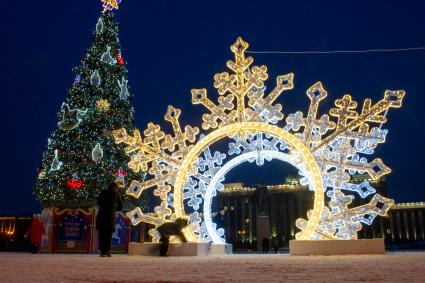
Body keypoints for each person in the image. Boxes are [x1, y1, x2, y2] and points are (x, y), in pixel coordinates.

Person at [96, 182, 123, 257]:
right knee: (108, 235)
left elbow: (98, 202)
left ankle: (102, 251)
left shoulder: (103, 192)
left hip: (101, 216)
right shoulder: (116, 193)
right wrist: (114, 209)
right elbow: (121, 205)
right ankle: (107, 251)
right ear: (116, 187)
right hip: (110, 217)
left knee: (101, 234)